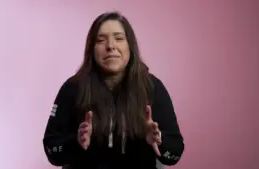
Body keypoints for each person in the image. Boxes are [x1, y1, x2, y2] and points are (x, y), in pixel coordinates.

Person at [42, 11, 184, 169]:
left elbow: (175, 153)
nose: (110, 46)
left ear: (130, 46)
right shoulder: (73, 88)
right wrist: (76, 143)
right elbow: (51, 150)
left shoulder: (152, 87)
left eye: (119, 38)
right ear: (91, 49)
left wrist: (159, 141)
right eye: (101, 40)